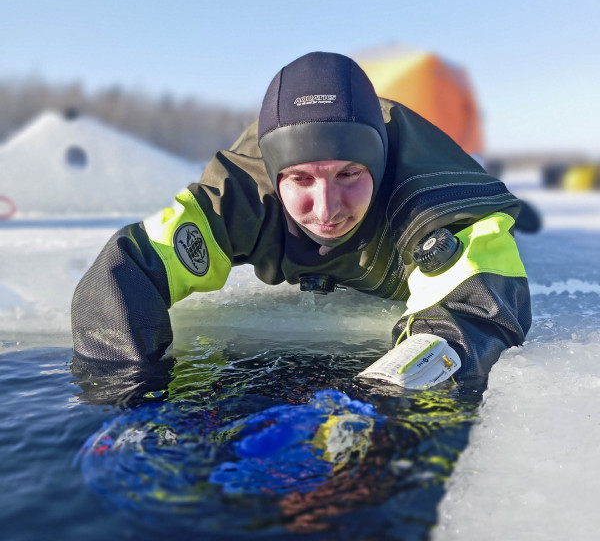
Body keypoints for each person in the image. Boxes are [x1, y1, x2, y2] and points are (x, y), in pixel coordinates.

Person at [71, 52, 531, 384]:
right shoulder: (242, 193)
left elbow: (476, 314)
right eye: (300, 180)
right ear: (274, 175)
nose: (327, 209)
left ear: (381, 164)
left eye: (350, 173)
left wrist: (383, 405)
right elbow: (131, 267)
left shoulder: (434, 200)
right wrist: (128, 395)